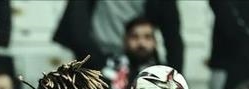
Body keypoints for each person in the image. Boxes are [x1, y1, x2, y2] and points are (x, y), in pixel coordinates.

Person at [54, 0, 183, 71]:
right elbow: (76, 27)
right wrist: (98, 62)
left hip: (138, 62)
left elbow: (172, 37)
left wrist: (174, 81)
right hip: (99, 59)